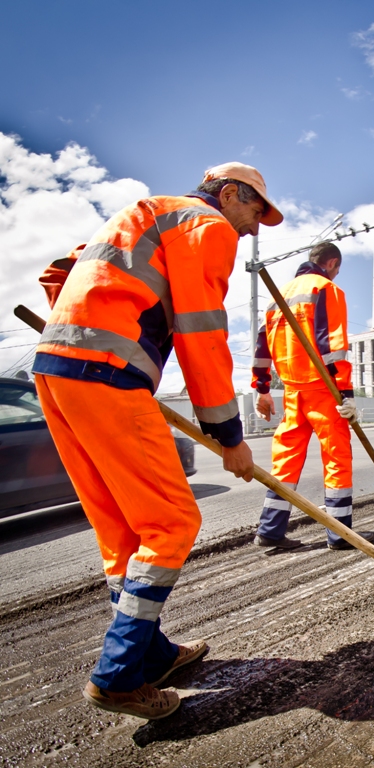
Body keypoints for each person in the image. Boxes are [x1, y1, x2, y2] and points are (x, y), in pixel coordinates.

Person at [32, 162, 282, 720]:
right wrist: (228, 435)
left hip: (57, 370)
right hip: (107, 375)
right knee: (173, 522)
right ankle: (118, 675)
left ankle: (152, 653)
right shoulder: (206, 223)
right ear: (231, 193)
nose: (254, 229)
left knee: (123, 529)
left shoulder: (143, 213)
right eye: (255, 211)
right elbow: (201, 330)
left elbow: (59, 272)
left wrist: (82, 325)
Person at [251, 242, 373, 551]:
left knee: (285, 462)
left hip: (292, 392)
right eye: (338, 270)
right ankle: (340, 535)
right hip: (323, 391)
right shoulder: (325, 289)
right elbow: (332, 346)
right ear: (332, 263)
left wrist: (262, 390)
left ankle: (270, 530)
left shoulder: (277, 298)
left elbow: (261, 350)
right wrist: (345, 393)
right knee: (336, 460)